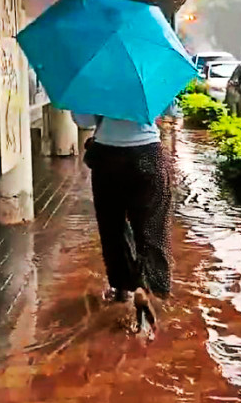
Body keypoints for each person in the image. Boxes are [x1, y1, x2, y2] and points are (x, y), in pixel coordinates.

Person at [72, 103, 179, 334]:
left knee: (113, 227)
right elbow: (171, 110)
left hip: (107, 157)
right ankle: (151, 287)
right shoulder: (150, 69)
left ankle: (123, 287)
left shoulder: (97, 76)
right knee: (153, 228)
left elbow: (83, 121)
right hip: (148, 153)